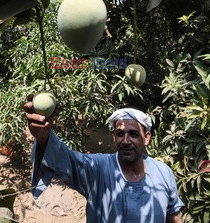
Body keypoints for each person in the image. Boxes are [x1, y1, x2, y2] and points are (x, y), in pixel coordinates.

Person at [23, 95, 184, 222]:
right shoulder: (97, 168)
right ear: (114, 137)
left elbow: (174, 217)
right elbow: (65, 158)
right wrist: (44, 136)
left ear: (147, 137)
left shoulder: (164, 173)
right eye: (120, 134)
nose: (126, 141)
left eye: (133, 134)